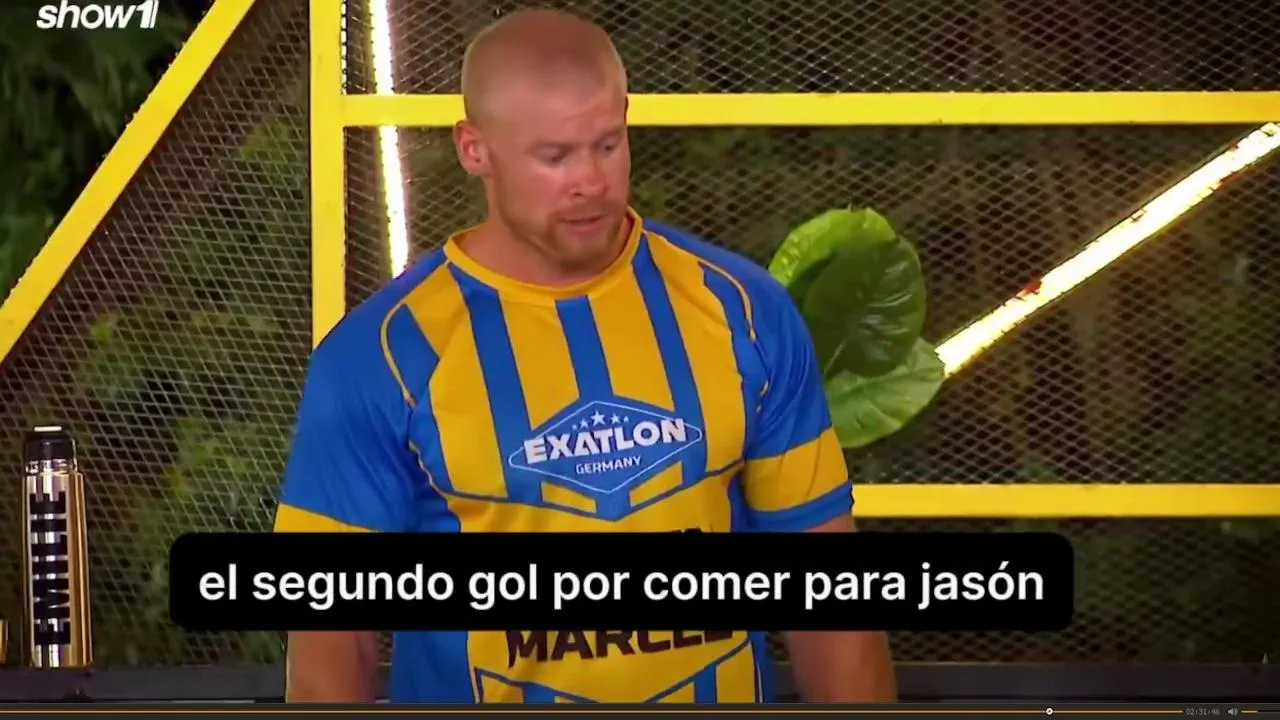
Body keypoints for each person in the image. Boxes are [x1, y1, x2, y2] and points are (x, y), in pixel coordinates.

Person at [273, 7, 897, 704]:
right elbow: (330, 641)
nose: (591, 181)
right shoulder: (382, 356)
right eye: (555, 156)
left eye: (607, 144)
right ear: (475, 149)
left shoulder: (742, 312)